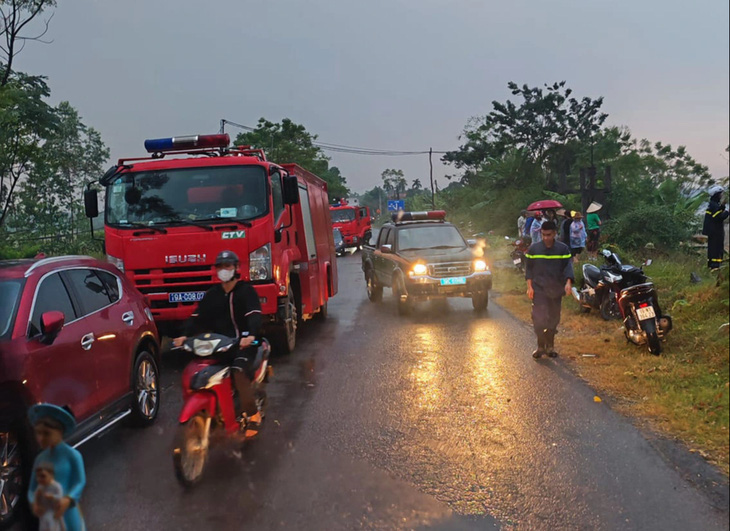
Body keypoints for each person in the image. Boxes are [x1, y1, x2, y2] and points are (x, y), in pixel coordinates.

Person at [173, 250, 263, 437]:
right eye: (220, 267)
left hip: (243, 345)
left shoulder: (246, 292)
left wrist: (250, 336)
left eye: (227, 266)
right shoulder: (212, 294)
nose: (224, 270)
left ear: (236, 268)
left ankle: (253, 414)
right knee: (194, 369)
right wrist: (184, 336)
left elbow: (254, 317)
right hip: (218, 346)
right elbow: (196, 318)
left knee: (238, 372)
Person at [27, 404, 86, 531]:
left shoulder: (73, 456)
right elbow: (32, 488)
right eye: (38, 433)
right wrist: (35, 503)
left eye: (46, 433)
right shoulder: (40, 459)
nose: (40, 438)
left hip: (68, 511)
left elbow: (80, 481)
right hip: (47, 515)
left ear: (60, 431)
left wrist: (68, 499)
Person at [525, 221, 574, 359]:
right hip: (539, 289)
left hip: (555, 289)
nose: (546, 238)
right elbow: (529, 269)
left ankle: (550, 346)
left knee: (553, 318)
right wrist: (529, 287)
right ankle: (540, 346)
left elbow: (567, 268)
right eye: (543, 235)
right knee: (538, 318)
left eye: (549, 235)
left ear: (555, 234)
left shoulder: (562, 249)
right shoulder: (534, 249)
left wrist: (568, 283)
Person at [702, 185, 729, 269]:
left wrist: (722, 206)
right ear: (716, 194)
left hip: (714, 231)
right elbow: (718, 216)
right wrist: (727, 212)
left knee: (714, 248)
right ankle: (715, 266)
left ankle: (713, 265)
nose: (721, 195)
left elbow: (717, 212)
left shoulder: (713, 204)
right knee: (716, 248)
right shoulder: (713, 205)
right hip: (715, 231)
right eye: (720, 194)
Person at [33, 462, 65, 531]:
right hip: (44, 511)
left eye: (43, 476)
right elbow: (37, 497)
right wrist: (36, 505)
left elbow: (60, 497)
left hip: (53, 511)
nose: (40, 479)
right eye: (38, 477)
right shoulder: (40, 487)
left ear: (51, 475)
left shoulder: (56, 487)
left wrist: (52, 497)